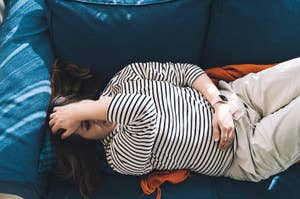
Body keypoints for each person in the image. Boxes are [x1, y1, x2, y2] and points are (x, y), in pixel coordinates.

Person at [49, 58, 300, 197]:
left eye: (83, 111)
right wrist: (83, 110)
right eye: (85, 126)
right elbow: (142, 111)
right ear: (87, 141)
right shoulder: (119, 156)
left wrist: (219, 104)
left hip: (239, 96)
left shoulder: (125, 76)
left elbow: (186, 72)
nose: (95, 121)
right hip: (247, 152)